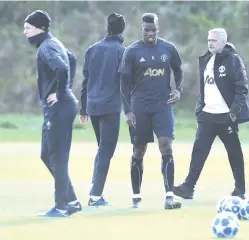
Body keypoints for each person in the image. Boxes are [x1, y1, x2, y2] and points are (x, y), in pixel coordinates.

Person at [173, 28, 249, 201]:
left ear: (223, 42)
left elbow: (242, 87)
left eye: (214, 40)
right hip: (207, 116)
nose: (210, 43)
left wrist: (234, 112)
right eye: (208, 40)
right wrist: (200, 109)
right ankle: (188, 187)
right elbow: (204, 88)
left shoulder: (233, 60)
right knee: (199, 151)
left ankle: (240, 189)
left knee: (234, 152)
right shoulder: (206, 59)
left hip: (226, 117)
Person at [119, 13, 183, 210]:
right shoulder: (131, 52)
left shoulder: (168, 48)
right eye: (147, 30)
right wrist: (128, 111)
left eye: (153, 30)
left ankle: (170, 196)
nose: (150, 33)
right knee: (139, 150)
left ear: (158, 28)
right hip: (139, 107)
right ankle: (136, 197)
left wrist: (178, 89)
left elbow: (178, 70)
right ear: (141, 29)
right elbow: (123, 84)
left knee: (166, 146)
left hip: (163, 105)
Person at [23, 10, 81, 217]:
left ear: (41, 28)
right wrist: (64, 90)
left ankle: (61, 207)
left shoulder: (46, 48)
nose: (25, 32)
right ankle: (72, 200)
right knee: (47, 154)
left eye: (28, 28)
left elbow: (62, 68)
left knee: (57, 157)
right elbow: (72, 60)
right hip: (59, 107)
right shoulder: (53, 43)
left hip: (60, 108)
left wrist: (60, 92)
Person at [80, 13, 126, 207]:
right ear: (122, 29)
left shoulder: (92, 49)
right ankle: (95, 195)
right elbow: (126, 83)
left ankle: (95, 191)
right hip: (110, 108)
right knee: (106, 151)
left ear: (107, 28)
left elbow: (85, 81)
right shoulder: (122, 51)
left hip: (93, 107)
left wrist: (83, 108)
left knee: (102, 150)